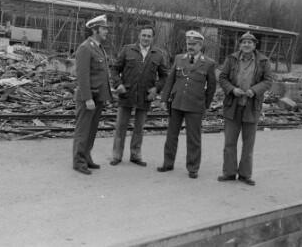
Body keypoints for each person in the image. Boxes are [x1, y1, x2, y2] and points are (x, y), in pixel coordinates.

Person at [157, 30, 216, 179]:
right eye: (189, 43)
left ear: (200, 45)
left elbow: (212, 87)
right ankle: (168, 163)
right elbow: (170, 80)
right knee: (171, 135)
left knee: (193, 138)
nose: (190, 46)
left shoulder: (208, 63)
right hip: (176, 103)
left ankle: (193, 168)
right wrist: (164, 99)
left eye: (194, 44)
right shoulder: (179, 59)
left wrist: (206, 105)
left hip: (195, 106)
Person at [217, 32, 272, 186]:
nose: (246, 45)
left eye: (250, 42)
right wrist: (232, 89)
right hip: (232, 106)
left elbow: (268, 81)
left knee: (248, 144)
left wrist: (254, 90)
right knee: (229, 142)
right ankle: (229, 173)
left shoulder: (263, 61)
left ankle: (245, 175)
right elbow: (222, 77)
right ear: (240, 45)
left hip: (251, 107)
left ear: (255, 45)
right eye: (243, 42)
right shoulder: (231, 59)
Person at [110, 25, 168, 167]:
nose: (146, 38)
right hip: (126, 94)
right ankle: (117, 155)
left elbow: (164, 76)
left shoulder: (158, 54)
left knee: (139, 127)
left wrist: (156, 89)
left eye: (149, 36)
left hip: (145, 95)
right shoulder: (127, 49)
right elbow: (115, 69)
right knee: (120, 126)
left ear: (152, 38)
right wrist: (118, 84)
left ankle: (135, 155)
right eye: (144, 35)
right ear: (139, 36)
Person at [72, 15, 112, 175]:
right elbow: (82, 76)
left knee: (92, 130)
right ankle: (78, 161)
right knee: (83, 130)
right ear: (94, 30)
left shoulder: (98, 47)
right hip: (88, 98)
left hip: (98, 97)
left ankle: (86, 157)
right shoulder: (85, 48)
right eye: (104, 29)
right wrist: (88, 98)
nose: (106, 32)